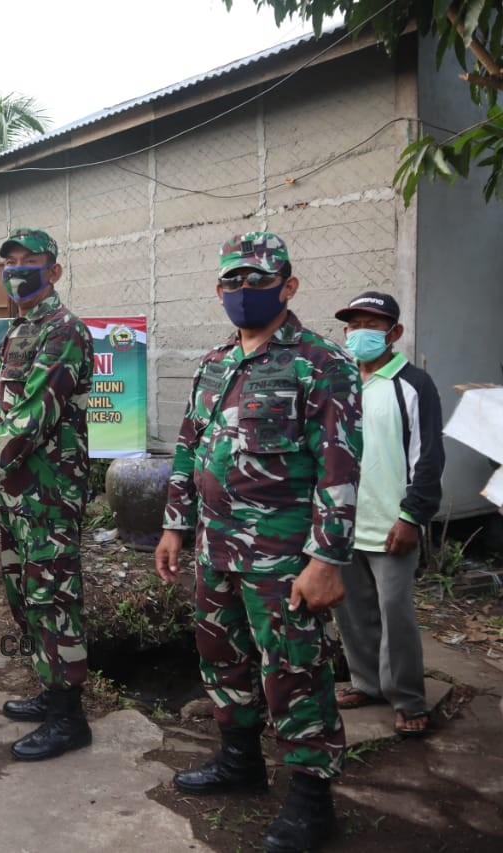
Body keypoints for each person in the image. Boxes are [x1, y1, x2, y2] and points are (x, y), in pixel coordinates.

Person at [154, 232, 362, 853]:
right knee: (222, 657)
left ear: (288, 286)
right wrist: (175, 525)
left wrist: (327, 558)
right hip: (215, 548)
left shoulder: (320, 364)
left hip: (283, 557)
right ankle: (239, 760)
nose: (243, 291)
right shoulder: (216, 362)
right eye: (232, 281)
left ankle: (311, 800)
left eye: (257, 280)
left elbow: (339, 468)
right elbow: (188, 448)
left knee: (295, 670)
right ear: (219, 290)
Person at [0, 228, 94, 762]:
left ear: (54, 271)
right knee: (25, 595)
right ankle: (51, 690)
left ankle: (69, 718)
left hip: (49, 493)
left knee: (53, 598)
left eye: (31, 260)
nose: (17, 270)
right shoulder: (19, 329)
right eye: (10, 262)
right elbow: (8, 409)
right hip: (16, 493)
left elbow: (34, 415)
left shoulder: (64, 329)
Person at [333, 291, 444, 737]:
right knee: (351, 611)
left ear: (394, 333)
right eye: (353, 326)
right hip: (343, 523)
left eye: (372, 326)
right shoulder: (341, 382)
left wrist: (412, 516)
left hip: (391, 525)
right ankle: (367, 683)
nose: (360, 334)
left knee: (395, 613)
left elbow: (429, 456)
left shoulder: (413, 384)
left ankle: (408, 698)